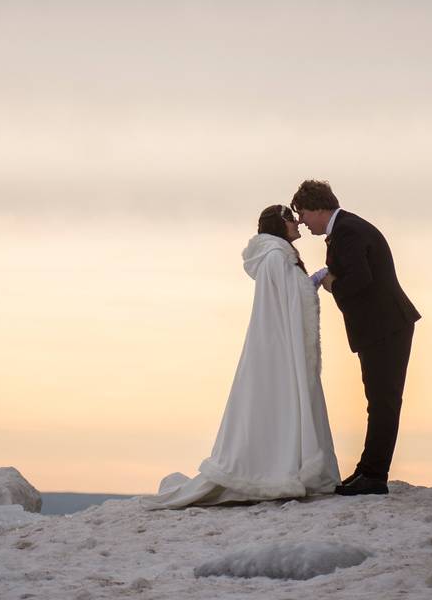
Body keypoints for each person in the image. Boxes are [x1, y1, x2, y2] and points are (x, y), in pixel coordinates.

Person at [141, 205, 340, 509]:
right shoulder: (276, 256)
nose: (297, 223)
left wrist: (309, 280)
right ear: (280, 224)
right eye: (291, 219)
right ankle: (274, 472)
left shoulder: (277, 255)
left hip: (277, 343)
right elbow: (289, 299)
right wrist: (314, 281)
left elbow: (287, 296)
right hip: (279, 347)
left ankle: (288, 468)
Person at [292, 180, 420, 496]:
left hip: (385, 326)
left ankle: (374, 475)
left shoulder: (348, 231)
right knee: (377, 400)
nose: (303, 222)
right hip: (381, 327)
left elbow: (359, 280)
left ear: (320, 208)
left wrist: (330, 281)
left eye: (304, 213)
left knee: (383, 401)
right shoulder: (346, 229)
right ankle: (367, 470)